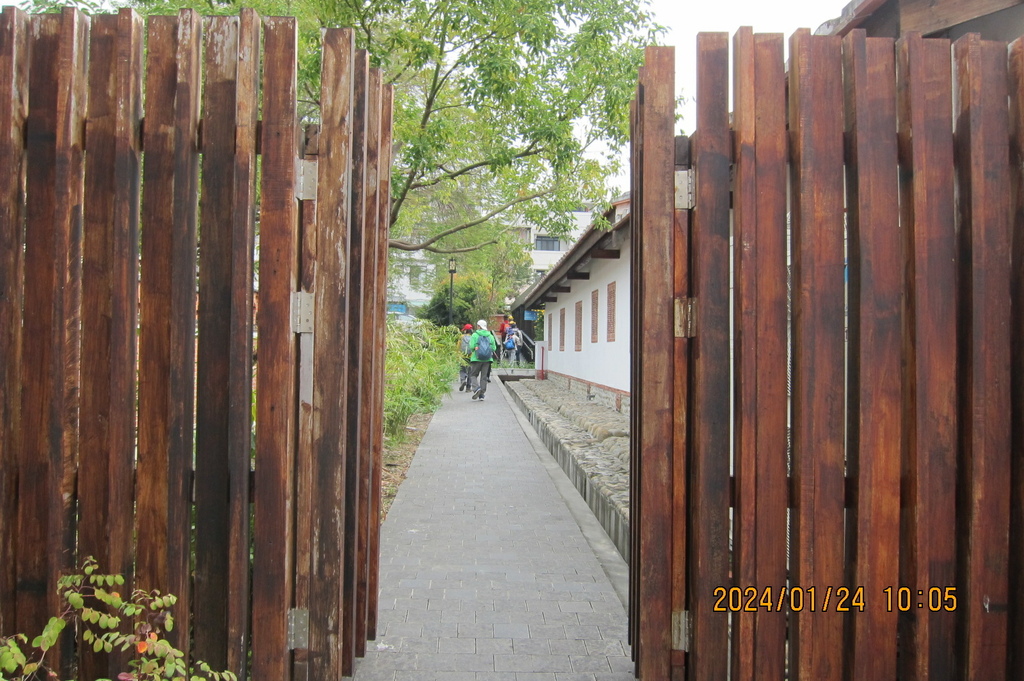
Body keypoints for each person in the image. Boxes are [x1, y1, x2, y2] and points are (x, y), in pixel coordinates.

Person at [467, 319, 499, 401]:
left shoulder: (474, 335)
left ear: (478, 326)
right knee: (484, 377)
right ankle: (482, 394)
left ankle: (476, 388)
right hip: (487, 359)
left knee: (473, 375)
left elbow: (471, 347)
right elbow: (494, 348)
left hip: (476, 359)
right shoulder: (490, 335)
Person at [458, 323, 473, 391]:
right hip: (471, 356)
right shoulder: (473, 337)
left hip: (462, 355)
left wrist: (457, 354)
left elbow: (458, 346)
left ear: (465, 331)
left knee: (462, 369)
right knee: (470, 371)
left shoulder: (461, 337)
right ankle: (468, 387)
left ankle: (463, 380)